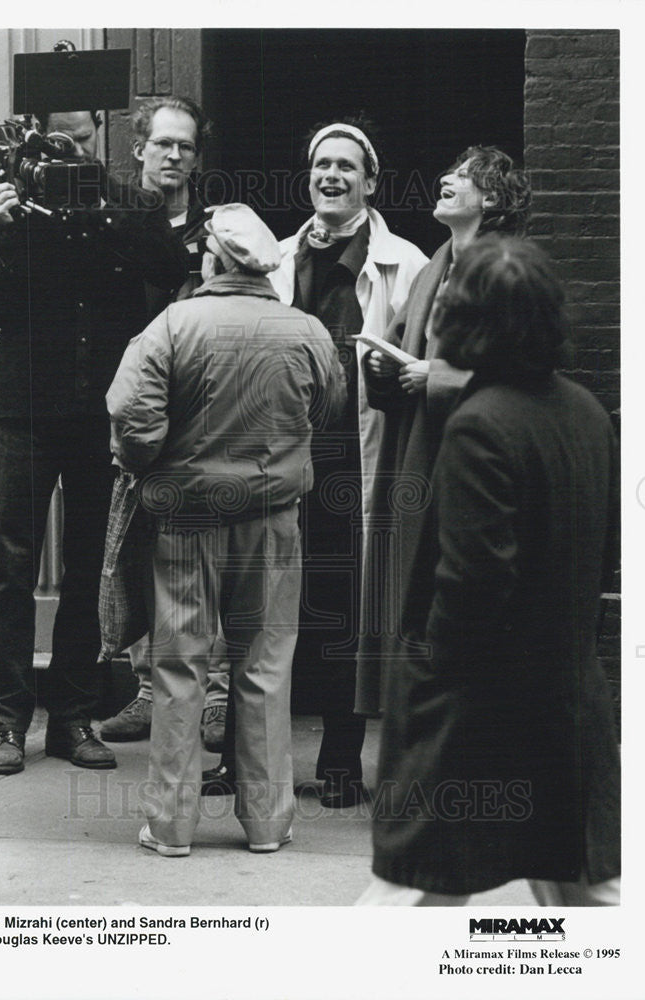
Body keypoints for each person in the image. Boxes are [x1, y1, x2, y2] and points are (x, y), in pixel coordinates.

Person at [357, 235, 621, 905]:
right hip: (562, 700)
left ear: (467, 320)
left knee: (411, 893)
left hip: (475, 711)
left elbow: (475, 582)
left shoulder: (480, 423)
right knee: (582, 889)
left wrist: (428, 672)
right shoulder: (587, 414)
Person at [106, 204, 346, 855]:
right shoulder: (305, 332)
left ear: (213, 260)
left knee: (180, 664)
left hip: (185, 520)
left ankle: (171, 825)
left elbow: (132, 417)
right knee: (265, 666)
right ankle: (269, 824)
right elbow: (329, 407)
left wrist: (149, 464)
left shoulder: (172, 326)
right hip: (273, 521)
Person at [0, 107, 188, 775]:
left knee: (86, 567)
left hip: (99, 410)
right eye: (57, 127)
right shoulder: (14, 202)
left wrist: (103, 205)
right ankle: (7, 722)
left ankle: (72, 718)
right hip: (23, 406)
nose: (70, 138)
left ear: (102, 126)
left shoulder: (128, 204)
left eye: (81, 126)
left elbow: (169, 266)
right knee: (11, 566)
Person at [262, 117, 427, 808]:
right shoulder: (272, 256)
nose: (331, 176)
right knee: (267, 609)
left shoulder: (406, 263)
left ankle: (338, 760)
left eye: (346, 167)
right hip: (280, 453)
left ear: (370, 182)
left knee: (344, 611)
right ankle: (255, 761)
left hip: (357, 457)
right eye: (321, 165)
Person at [355, 145, 531, 719]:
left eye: (462, 176)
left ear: (493, 198)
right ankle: (418, 741)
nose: (445, 179)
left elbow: (525, 373)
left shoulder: (507, 270)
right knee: (409, 598)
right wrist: (381, 369)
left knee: (454, 596)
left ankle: (457, 748)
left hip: (469, 461)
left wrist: (435, 376)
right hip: (414, 455)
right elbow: (404, 347)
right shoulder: (434, 266)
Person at [99, 95, 230, 752]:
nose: (174, 154)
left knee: (208, 559)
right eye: (163, 143)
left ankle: (217, 696)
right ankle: (148, 693)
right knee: (140, 555)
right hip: (135, 421)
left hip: (202, 421)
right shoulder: (110, 224)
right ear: (139, 149)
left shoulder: (220, 231)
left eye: (185, 145)